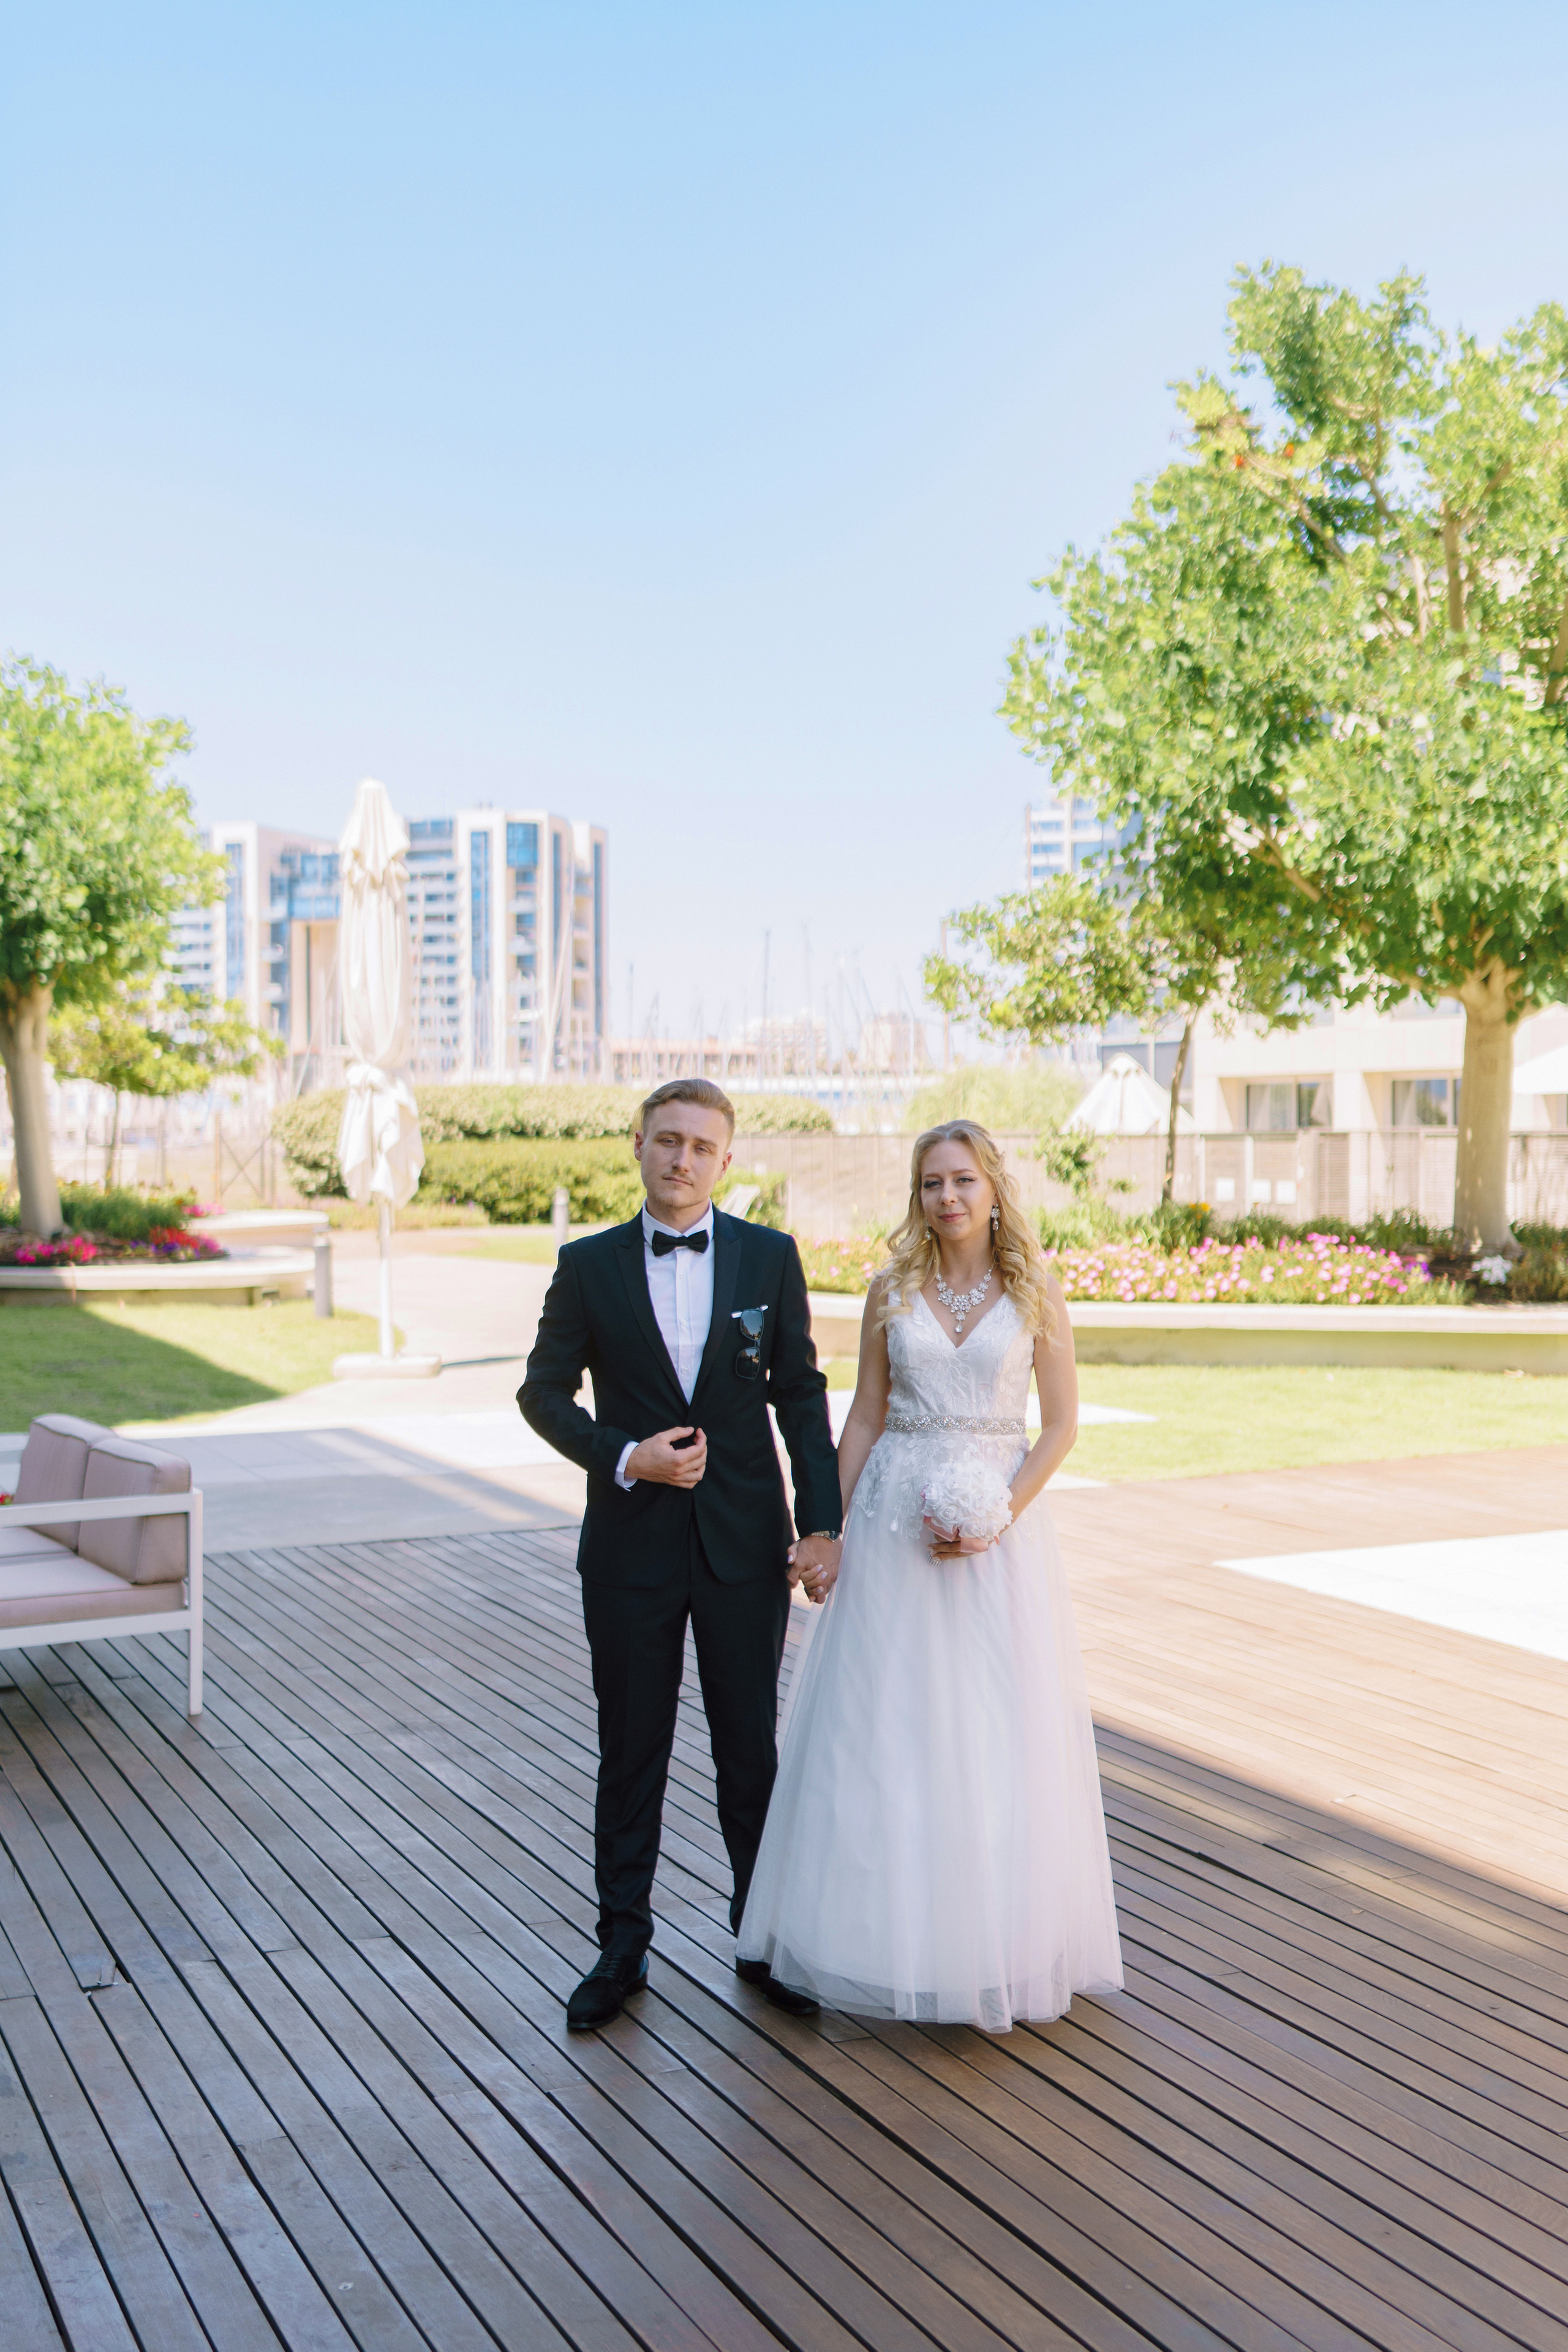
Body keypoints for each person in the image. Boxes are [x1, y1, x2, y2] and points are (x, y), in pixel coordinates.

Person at [738, 1119, 1123, 2030]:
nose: (946, 1198)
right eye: (929, 1184)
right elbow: (867, 1419)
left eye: (962, 1180)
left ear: (994, 1187)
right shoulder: (891, 1290)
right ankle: (877, 1939)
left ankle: (995, 1941)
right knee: (885, 1725)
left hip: (996, 1534)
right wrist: (825, 1528)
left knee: (992, 1725)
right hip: (891, 1524)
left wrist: (999, 1513)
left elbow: (1062, 1425)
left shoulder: (1037, 1292)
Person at [519, 1077, 843, 2030]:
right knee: (632, 1755)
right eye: (667, 1141)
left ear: (726, 1160)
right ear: (637, 1146)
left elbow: (801, 1400)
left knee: (751, 1754)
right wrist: (625, 1457)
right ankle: (622, 1948)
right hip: (628, 1553)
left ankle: (761, 1935)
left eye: (702, 1147)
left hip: (746, 1549)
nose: (682, 1160)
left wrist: (820, 1523)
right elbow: (542, 1395)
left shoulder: (768, 1259)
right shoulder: (587, 1266)